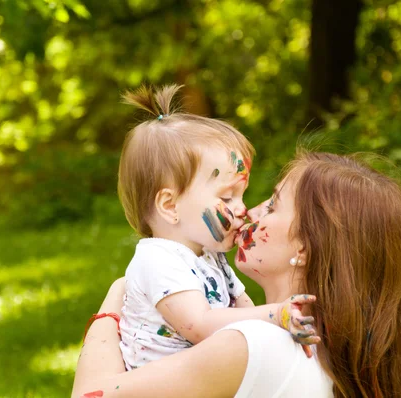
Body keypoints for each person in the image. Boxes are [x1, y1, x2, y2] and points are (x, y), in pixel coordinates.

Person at [73, 151, 401, 397]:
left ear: (304, 247)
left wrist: (114, 302)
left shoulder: (251, 344)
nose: (250, 212)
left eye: (275, 203)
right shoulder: (328, 347)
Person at [108, 85, 318, 371]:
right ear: (170, 206)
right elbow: (201, 324)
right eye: (227, 197)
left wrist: (284, 328)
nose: (243, 209)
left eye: (241, 195)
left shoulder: (209, 257)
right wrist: (276, 314)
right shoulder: (158, 260)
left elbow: (245, 312)